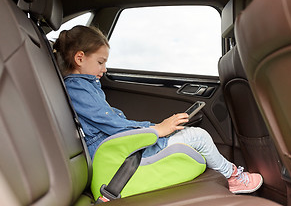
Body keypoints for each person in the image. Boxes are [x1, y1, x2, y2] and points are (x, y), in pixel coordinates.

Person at [53, 25, 263, 194]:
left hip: (120, 148)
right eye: (100, 62)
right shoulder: (78, 87)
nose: (105, 69)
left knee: (191, 135)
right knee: (199, 137)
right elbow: (109, 122)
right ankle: (232, 177)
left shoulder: (85, 86)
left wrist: (153, 128)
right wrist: (155, 130)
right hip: (116, 155)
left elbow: (110, 122)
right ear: (80, 58)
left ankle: (230, 174)